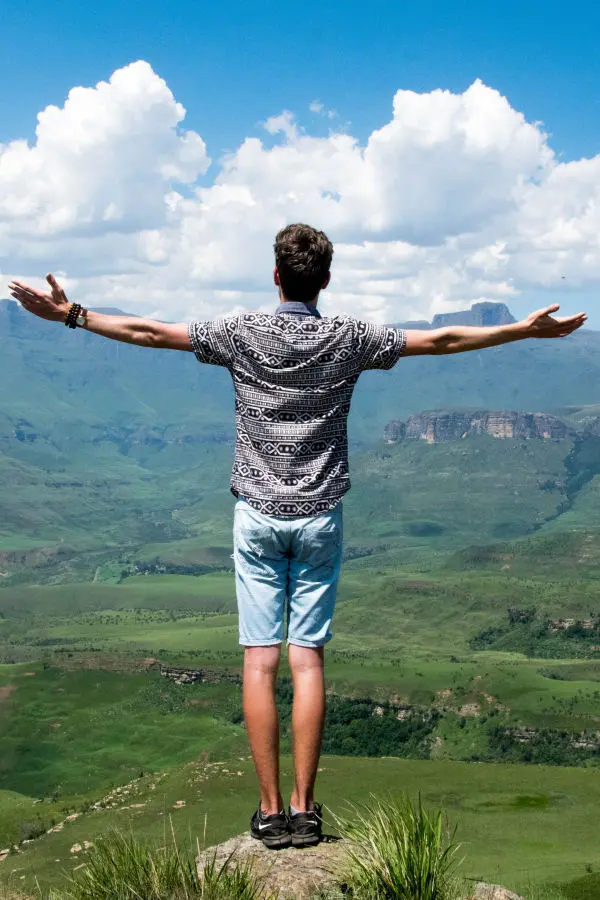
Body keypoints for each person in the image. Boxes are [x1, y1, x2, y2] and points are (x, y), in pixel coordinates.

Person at [8, 223, 587, 849]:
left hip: (256, 517)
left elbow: (150, 333)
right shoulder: (349, 338)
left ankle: (269, 812)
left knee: (259, 661)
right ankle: (307, 812)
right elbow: (442, 339)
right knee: (306, 659)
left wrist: (72, 314)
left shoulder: (242, 333)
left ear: (277, 276)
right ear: (326, 281)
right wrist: (523, 330)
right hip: (319, 519)